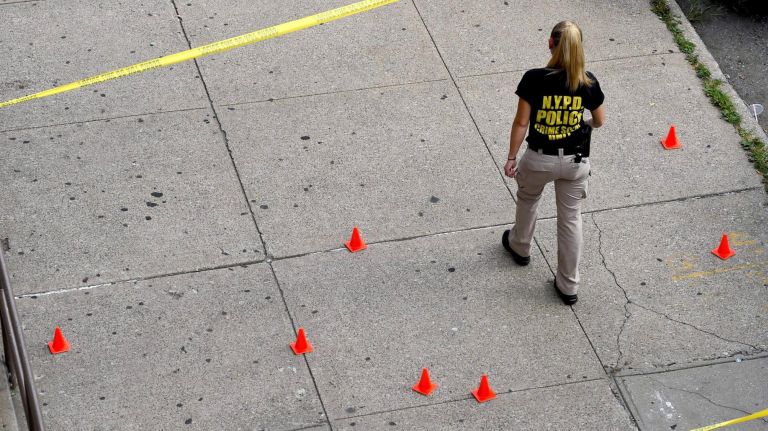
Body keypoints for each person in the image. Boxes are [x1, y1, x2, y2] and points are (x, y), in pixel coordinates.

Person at [501, 20, 605, 305]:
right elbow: (599, 121)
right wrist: (578, 122)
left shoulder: (534, 79)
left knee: (528, 198)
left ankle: (520, 246)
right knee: (571, 219)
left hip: (538, 159)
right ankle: (568, 284)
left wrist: (512, 157)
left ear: (550, 43)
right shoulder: (588, 81)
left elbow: (521, 123)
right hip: (575, 161)